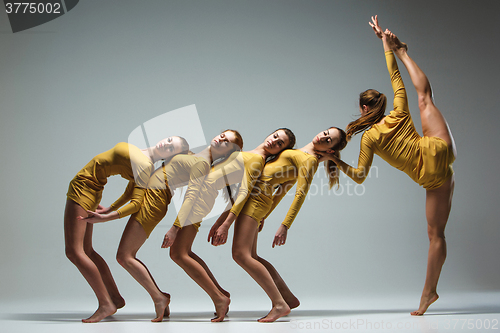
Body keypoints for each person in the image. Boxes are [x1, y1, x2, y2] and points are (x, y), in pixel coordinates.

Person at [327, 16, 456, 316]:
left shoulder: (369, 139)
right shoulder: (398, 109)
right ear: (380, 104)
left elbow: (359, 177)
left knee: (436, 235)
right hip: (439, 148)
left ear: (363, 109)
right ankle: (405, 50)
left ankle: (428, 293)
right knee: (424, 98)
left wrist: (336, 160)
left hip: (432, 177)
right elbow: (395, 76)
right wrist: (390, 46)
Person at [98, 130, 243, 322]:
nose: (221, 138)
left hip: (154, 202)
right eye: (223, 135)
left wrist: (175, 228)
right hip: (148, 197)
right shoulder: (193, 156)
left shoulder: (201, 164)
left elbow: (191, 196)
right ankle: (218, 295)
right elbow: (144, 177)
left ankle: (161, 298)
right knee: (133, 256)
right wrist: (111, 207)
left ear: (227, 152)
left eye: (226, 142)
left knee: (125, 256)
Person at [211, 127, 347, 322]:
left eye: (328, 140)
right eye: (326, 132)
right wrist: (266, 214)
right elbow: (282, 189)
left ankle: (279, 303)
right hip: (257, 202)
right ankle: (287, 298)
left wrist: (285, 225)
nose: (323, 136)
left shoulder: (307, 160)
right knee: (252, 256)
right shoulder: (301, 155)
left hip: (254, 201)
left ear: (330, 149)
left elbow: (299, 194)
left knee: (240, 255)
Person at [161, 128, 295, 322]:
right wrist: (219, 221)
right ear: (269, 134)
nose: (274, 142)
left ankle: (224, 298)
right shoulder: (249, 154)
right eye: (275, 136)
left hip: (200, 198)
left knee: (179, 253)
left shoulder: (256, 160)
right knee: (183, 252)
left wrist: (226, 224)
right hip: (202, 196)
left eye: (280, 144)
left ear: (280, 151)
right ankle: (221, 295)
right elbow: (234, 189)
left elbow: (244, 192)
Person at [65, 136, 189, 323]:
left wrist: (107, 217)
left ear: (170, 157)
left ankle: (106, 303)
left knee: (75, 252)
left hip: (84, 189)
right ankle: (114, 298)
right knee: (87, 251)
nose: (167, 143)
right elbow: (130, 190)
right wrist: (109, 208)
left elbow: (136, 202)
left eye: (172, 148)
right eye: (169, 139)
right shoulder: (144, 156)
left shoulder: (145, 165)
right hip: (88, 188)